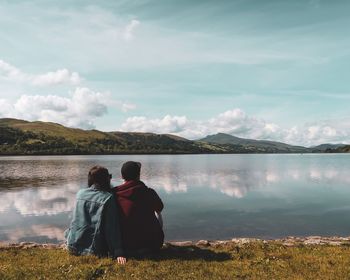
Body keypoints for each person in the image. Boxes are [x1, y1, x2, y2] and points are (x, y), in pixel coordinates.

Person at [65, 165, 126, 264]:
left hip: (72, 245)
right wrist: (118, 251)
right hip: (92, 250)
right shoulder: (108, 198)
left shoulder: (80, 194)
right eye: (109, 177)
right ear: (106, 179)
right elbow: (112, 228)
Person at [114, 161, 164, 255]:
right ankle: (153, 240)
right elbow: (160, 208)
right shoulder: (149, 192)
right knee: (158, 212)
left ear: (122, 176)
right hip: (151, 244)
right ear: (139, 175)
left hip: (125, 244)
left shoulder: (114, 193)